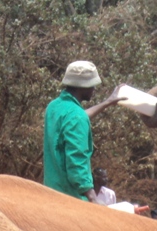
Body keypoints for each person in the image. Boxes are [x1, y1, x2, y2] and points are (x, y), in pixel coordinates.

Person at [43, 60, 122, 201]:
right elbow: (76, 161)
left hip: (50, 191)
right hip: (70, 197)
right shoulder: (76, 116)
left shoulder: (54, 106)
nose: (94, 89)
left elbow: (77, 117)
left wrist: (108, 102)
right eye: (93, 85)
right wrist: (93, 198)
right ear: (83, 86)